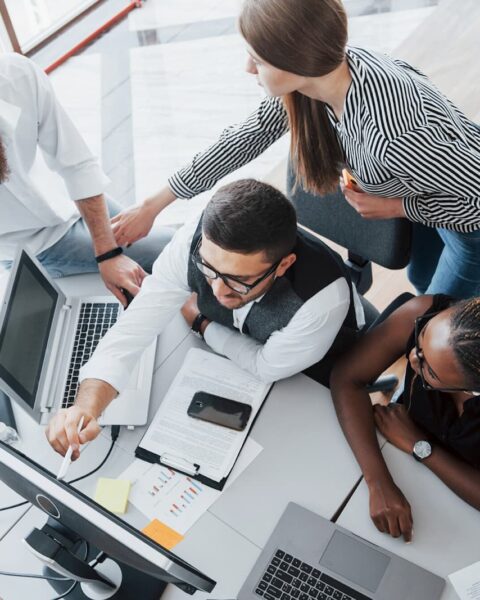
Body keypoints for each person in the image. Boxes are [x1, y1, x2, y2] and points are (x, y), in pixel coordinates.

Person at [110, 0, 480, 299]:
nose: (248, 68)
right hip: (430, 195)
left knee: (438, 311)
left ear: (295, 60)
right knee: (422, 276)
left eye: (258, 58)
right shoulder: (323, 78)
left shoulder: (393, 138)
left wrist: (398, 206)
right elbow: (243, 138)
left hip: (467, 218)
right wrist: (151, 206)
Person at [45, 178, 362, 457]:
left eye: (238, 279)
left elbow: (266, 366)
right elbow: (130, 333)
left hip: (315, 369)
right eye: (209, 269)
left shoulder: (321, 302)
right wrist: (86, 407)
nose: (218, 291)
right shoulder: (196, 240)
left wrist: (202, 324)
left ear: (282, 265)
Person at [0, 53, 173, 306]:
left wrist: (108, 252)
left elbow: (75, 162)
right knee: (167, 250)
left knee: (178, 249)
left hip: (67, 198)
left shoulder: (16, 74)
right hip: (32, 244)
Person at [330, 294, 480, 543]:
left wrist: (421, 447)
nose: (411, 358)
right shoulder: (423, 312)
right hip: (391, 452)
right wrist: (378, 482)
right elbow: (347, 377)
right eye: (420, 341)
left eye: (428, 370)